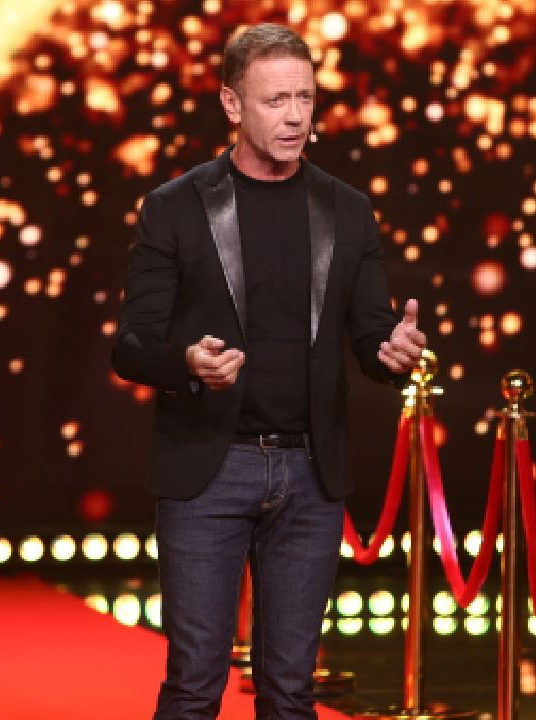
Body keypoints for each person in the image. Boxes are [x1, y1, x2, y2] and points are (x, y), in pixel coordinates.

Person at [111, 22, 427, 720]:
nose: (294, 117)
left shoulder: (347, 209)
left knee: (291, 689)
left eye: (305, 98)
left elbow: (370, 335)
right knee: (195, 684)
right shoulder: (176, 207)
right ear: (232, 104)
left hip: (310, 474)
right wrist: (188, 362)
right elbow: (131, 344)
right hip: (209, 470)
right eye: (275, 100)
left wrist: (392, 351)